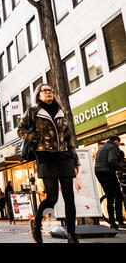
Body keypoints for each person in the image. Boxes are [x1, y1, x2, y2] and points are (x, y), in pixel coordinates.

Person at [17, 83, 80, 243]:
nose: (48, 92)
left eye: (50, 90)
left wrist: (75, 160)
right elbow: (20, 130)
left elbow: (67, 137)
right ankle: (36, 222)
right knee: (52, 198)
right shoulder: (33, 111)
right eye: (44, 90)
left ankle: (71, 234)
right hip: (45, 157)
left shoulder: (61, 111)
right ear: (38, 95)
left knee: (69, 197)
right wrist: (35, 137)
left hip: (64, 156)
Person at [94, 136, 125, 229]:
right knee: (118, 196)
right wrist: (121, 167)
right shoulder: (113, 147)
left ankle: (112, 223)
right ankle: (120, 221)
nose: (118, 144)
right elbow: (111, 160)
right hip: (107, 172)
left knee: (110, 197)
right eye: (119, 143)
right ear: (116, 141)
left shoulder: (102, 147)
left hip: (99, 172)